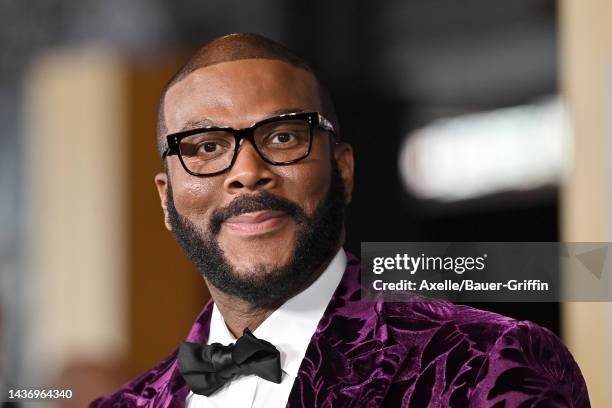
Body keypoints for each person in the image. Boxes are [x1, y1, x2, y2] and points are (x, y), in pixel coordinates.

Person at [90, 33, 590, 407]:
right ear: (166, 200)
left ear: (343, 170)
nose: (246, 172)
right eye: (206, 147)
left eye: (283, 137)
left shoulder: (487, 364)